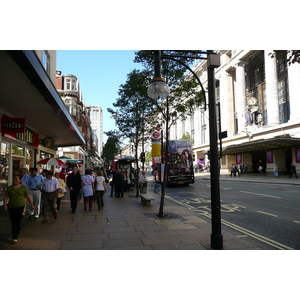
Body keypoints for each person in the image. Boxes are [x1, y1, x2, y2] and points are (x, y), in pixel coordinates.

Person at [4, 175, 35, 244]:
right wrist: (5, 205)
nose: (15, 180)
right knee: (13, 220)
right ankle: (17, 228)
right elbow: (6, 197)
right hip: (11, 206)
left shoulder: (23, 187)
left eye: (16, 179)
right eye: (14, 179)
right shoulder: (10, 188)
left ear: (20, 180)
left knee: (16, 220)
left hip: (20, 206)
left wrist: (32, 205)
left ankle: (14, 237)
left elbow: (27, 196)